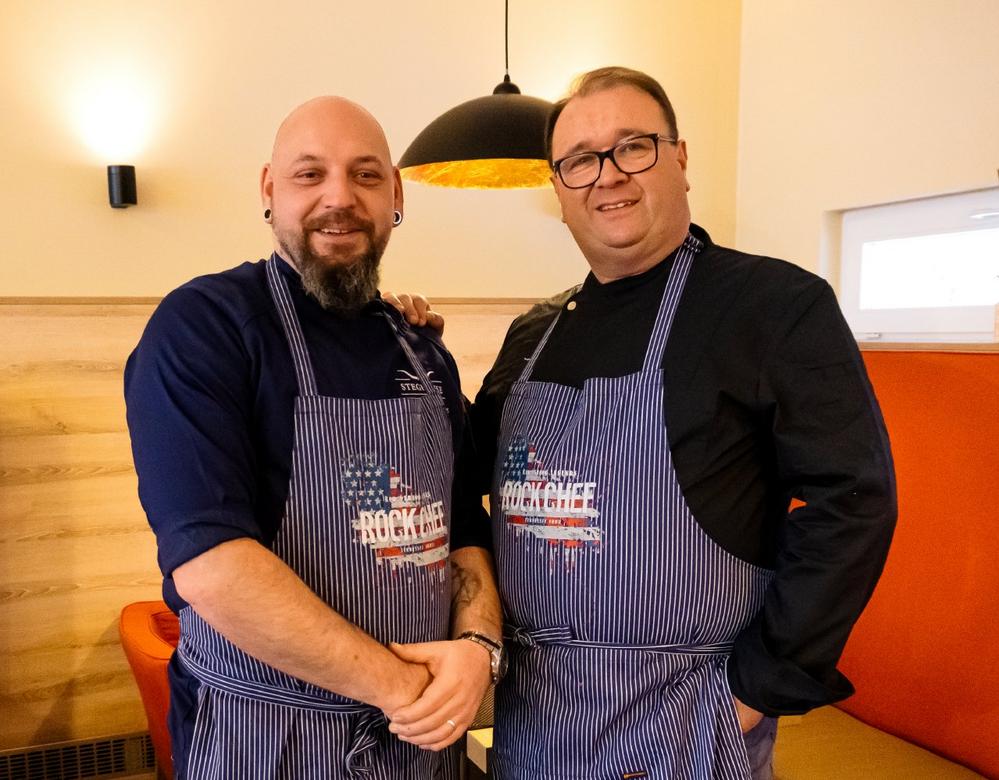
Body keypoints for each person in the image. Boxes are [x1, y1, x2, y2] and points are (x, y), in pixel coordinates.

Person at [461, 67, 896, 779]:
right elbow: (460, 474)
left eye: (634, 146)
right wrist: (401, 342)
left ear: (681, 158)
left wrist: (760, 684)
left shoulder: (773, 306)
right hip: (532, 720)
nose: (608, 174)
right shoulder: (534, 332)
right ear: (559, 191)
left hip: (687, 722)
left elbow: (853, 500)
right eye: (580, 160)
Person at [124, 96, 502, 780]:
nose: (340, 197)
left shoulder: (423, 350)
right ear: (269, 190)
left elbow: (463, 525)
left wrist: (479, 647)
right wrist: (401, 689)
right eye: (309, 174)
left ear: (396, 195)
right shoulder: (205, 325)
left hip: (419, 741)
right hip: (265, 738)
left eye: (365, 175)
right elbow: (211, 564)